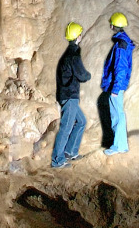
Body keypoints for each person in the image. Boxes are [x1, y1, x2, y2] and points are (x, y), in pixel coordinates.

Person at [51, 22, 92, 168]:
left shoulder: (68, 54)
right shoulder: (73, 55)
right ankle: (57, 160)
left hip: (68, 95)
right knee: (66, 128)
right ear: (77, 37)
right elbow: (82, 75)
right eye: (80, 34)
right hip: (70, 97)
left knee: (81, 122)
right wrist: (89, 75)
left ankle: (70, 151)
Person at [101, 12, 134, 155]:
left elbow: (120, 68)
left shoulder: (121, 45)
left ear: (114, 25)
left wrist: (115, 88)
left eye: (111, 23)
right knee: (118, 113)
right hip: (118, 85)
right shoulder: (122, 42)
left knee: (117, 115)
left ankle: (119, 146)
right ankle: (120, 144)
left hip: (117, 86)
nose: (110, 25)